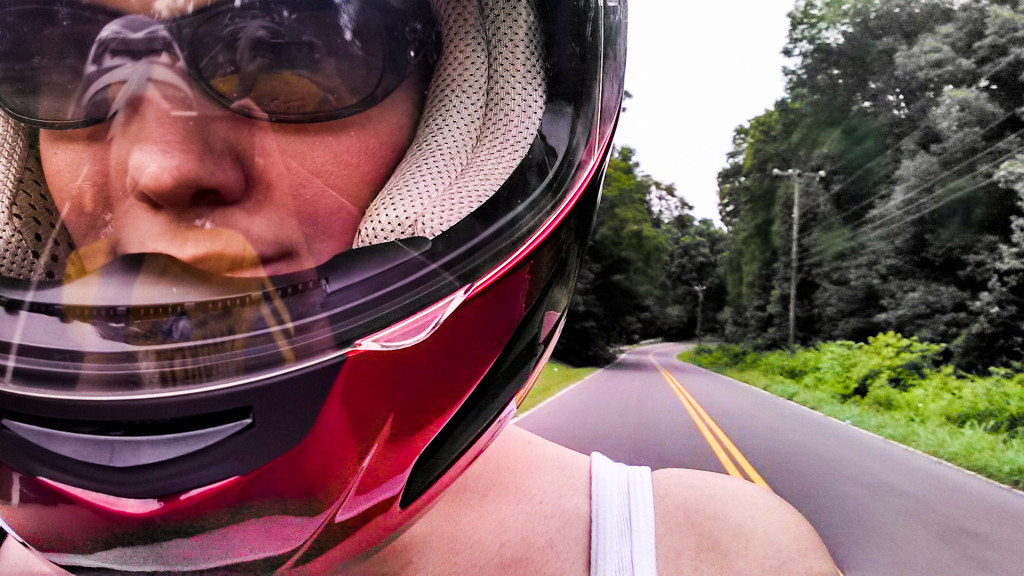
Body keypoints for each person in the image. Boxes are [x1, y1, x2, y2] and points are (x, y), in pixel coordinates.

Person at [0, 0, 838, 574]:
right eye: (60, 58)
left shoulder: (713, 555)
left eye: (299, 51)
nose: (163, 165)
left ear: (474, 130)